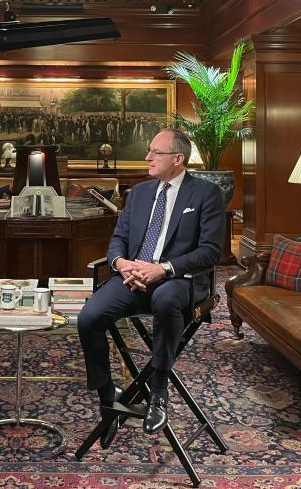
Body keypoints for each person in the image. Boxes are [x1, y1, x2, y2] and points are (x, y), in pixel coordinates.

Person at [76, 128, 225, 441]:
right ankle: (108, 398)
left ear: (178, 158)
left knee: (167, 301)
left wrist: (163, 268)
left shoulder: (205, 194)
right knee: (88, 317)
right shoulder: (140, 193)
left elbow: (212, 251)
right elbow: (118, 239)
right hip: (132, 276)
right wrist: (121, 264)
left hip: (178, 280)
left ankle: (158, 391)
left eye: (155, 152)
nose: (147, 157)